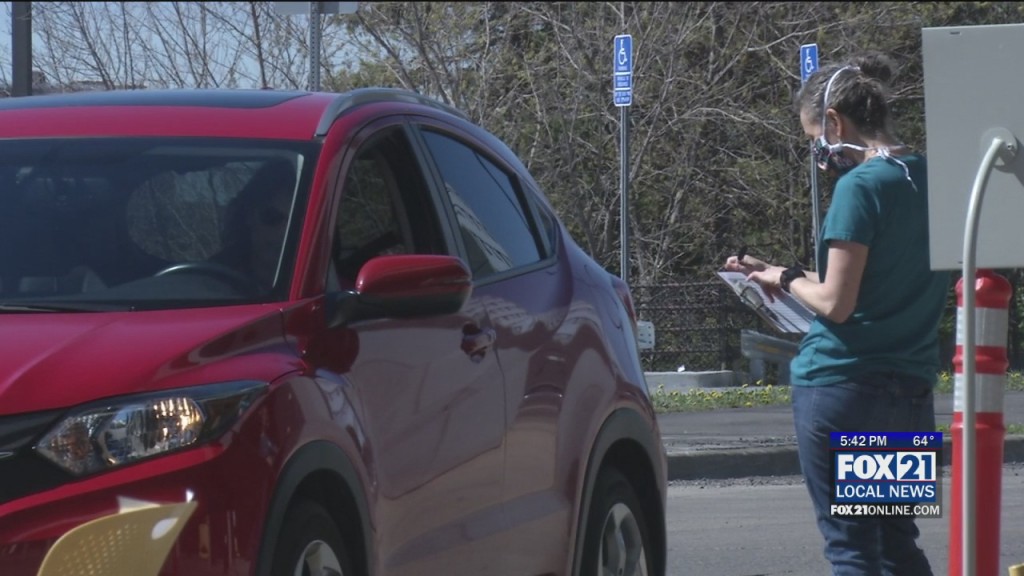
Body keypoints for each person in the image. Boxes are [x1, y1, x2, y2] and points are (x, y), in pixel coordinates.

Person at [724, 52, 951, 575]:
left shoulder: (860, 187)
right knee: (897, 545)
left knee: (852, 551)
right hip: (909, 387)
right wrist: (787, 272)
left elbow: (835, 304)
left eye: (815, 141)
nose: (820, 155)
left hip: (844, 387)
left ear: (834, 122)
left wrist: (783, 278)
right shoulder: (932, 177)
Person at [215, 159, 297, 291]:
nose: (284, 231)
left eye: (296, 221)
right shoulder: (210, 281)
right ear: (250, 216)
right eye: (272, 217)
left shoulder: (324, 287)